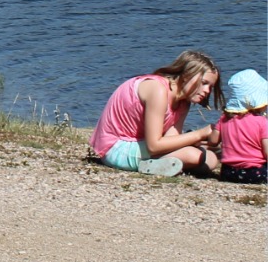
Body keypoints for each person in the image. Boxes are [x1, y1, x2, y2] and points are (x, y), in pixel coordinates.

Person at [88, 50, 222, 177]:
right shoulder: (158, 89)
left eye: (210, 87)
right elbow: (154, 146)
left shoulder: (183, 101)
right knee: (195, 156)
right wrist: (200, 134)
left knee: (211, 159)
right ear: (187, 75)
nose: (207, 91)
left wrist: (198, 141)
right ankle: (156, 165)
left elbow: (171, 138)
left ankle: (160, 165)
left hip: (142, 144)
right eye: (204, 83)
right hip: (115, 148)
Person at [216, 69, 268, 185]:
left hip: (228, 173)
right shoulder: (262, 122)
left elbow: (213, 140)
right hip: (255, 173)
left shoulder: (224, 118)